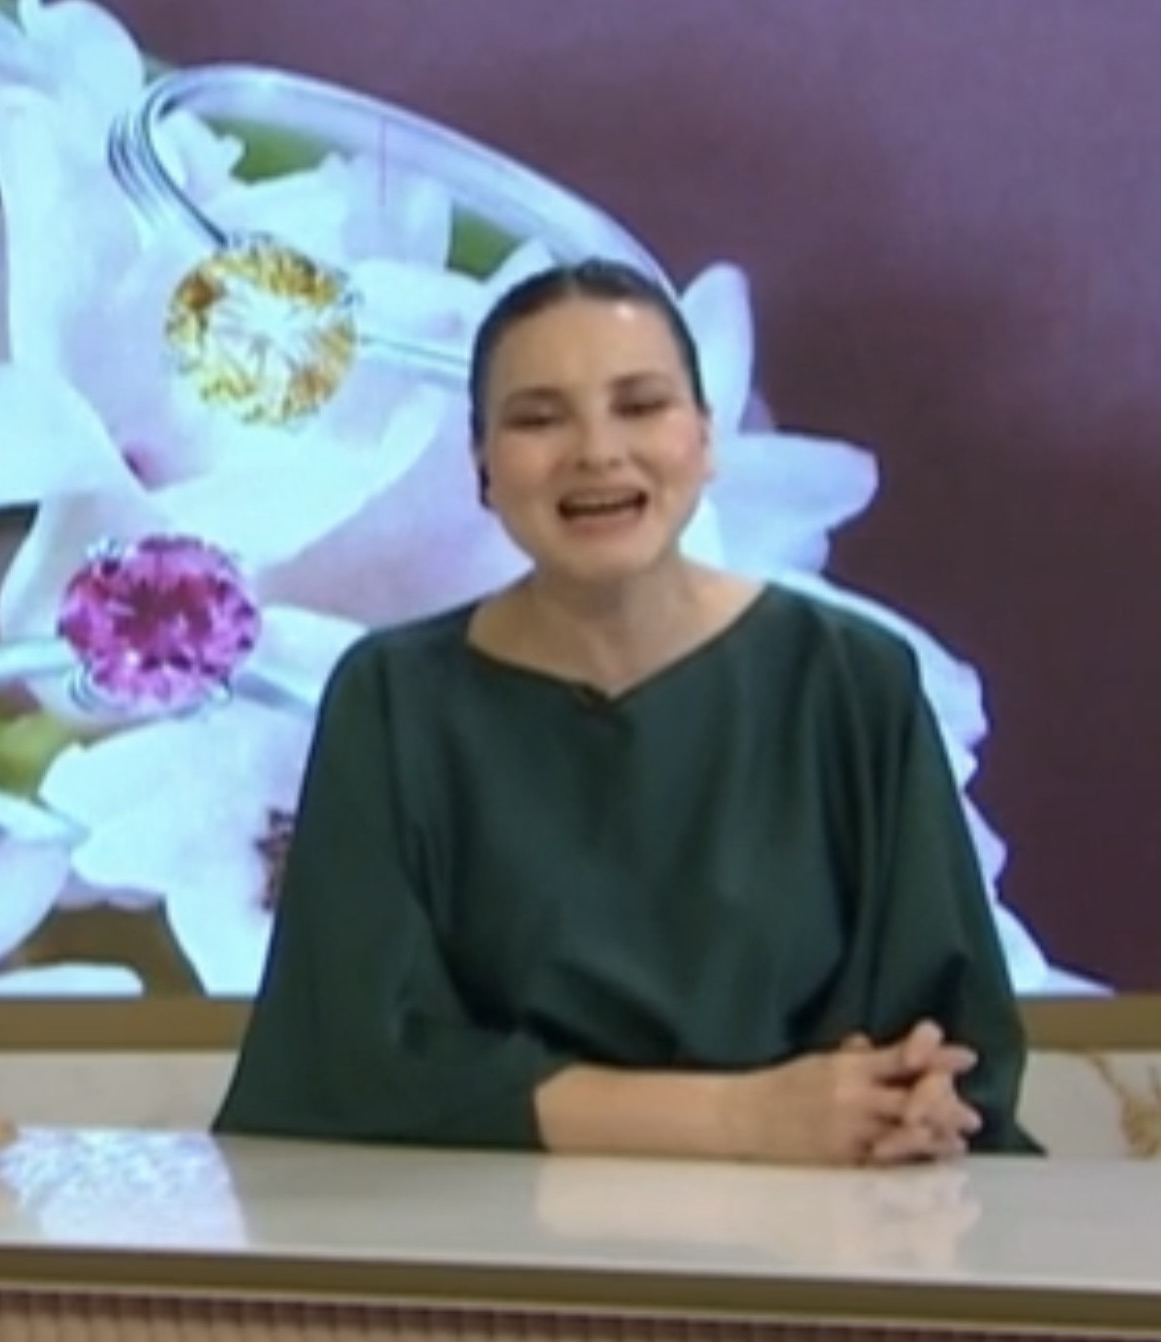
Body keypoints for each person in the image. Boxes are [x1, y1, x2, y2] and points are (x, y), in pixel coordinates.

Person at [214, 258, 1039, 1165]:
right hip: (483, 1238)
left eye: (640, 406)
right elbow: (352, 1067)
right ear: (481, 465)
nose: (597, 452)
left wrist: (911, 1104)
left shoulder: (851, 682)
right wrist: (741, 1119)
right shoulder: (391, 700)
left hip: (822, 1229)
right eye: (538, 418)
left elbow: (948, 1038)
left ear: (706, 438)